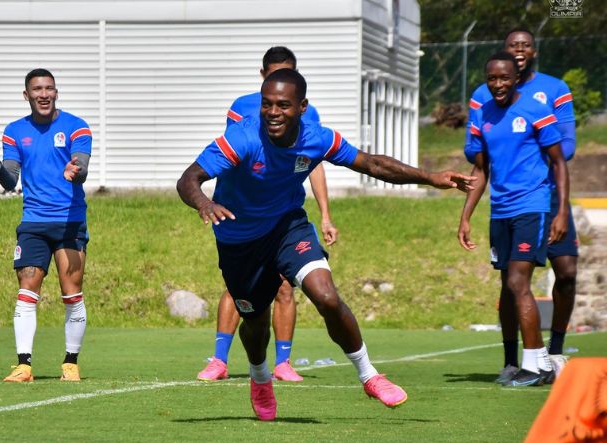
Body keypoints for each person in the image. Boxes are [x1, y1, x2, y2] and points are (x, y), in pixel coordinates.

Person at [177, 68, 474, 420]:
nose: (273, 112)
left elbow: (372, 163)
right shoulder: (242, 138)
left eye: (283, 105)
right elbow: (189, 178)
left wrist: (431, 178)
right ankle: (259, 378)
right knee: (254, 320)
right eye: (267, 104)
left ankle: (370, 376)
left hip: (288, 228)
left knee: (326, 295)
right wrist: (204, 203)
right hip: (239, 239)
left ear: (302, 107)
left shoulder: (317, 138)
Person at [198, 46, 338, 383]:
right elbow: (233, 157)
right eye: (274, 74)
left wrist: (325, 214)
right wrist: (213, 203)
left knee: (286, 287)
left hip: (283, 213)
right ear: (263, 76)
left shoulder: (309, 114)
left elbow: (312, 162)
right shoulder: (242, 109)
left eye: (287, 73)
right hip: (243, 219)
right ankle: (219, 359)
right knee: (238, 289)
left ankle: (283, 363)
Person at [468, 28, 578, 381]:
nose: (498, 84)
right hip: (500, 210)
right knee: (509, 283)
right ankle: (515, 362)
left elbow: (560, 160)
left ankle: (539, 363)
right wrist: (465, 216)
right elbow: (480, 166)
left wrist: (561, 211)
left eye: (504, 78)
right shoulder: (483, 113)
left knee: (520, 281)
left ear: (518, 78)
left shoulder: (536, 109)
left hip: (533, 205)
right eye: (491, 79)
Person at [0, 68, 91, 382]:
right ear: (27, 95)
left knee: (71, 294)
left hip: (69, 222)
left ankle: (70, 364)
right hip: (33, 223)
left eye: (49, 88)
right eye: (37, 89)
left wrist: (74, 172)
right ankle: (24, 365)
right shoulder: (14, 131)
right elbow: (10, 180)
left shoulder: (77, 127)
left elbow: (82, 166)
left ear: (56, 92)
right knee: (26, 291)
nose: (44, 94)